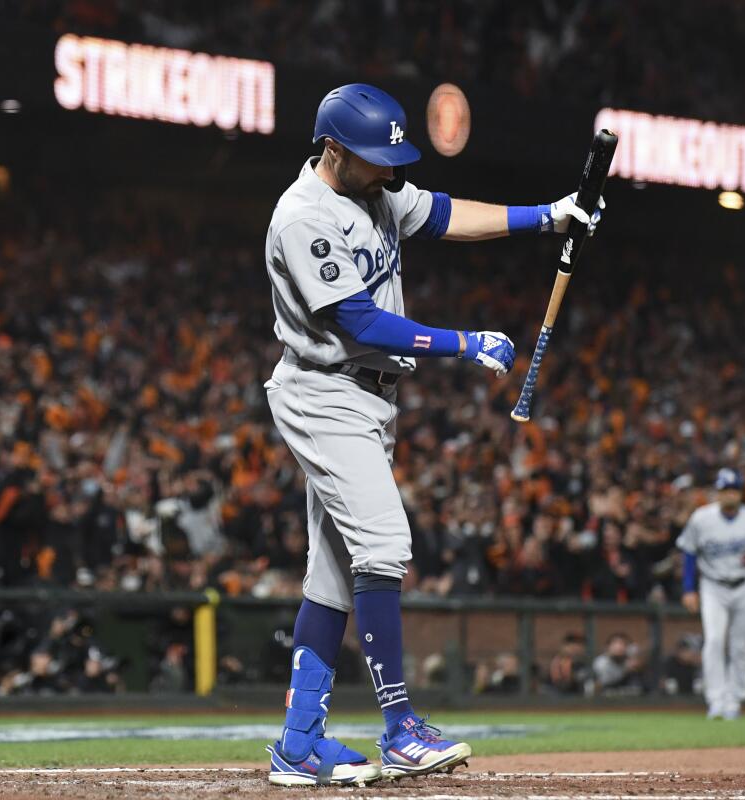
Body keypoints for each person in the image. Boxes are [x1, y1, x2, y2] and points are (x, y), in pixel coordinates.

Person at [262, 83, 602, 786]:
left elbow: (446, 215)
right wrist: (462, 341)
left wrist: (549, 216)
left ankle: (298, 746)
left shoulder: (378, 190)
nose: (390, 171)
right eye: (374, 159)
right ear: (332, 150)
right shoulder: (302, 216)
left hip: (369, 399)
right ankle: (399, 728)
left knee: (330, 579)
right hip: (324, 392)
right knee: (385, 545)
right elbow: (355, 321)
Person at [678, 468, 745, 720]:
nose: (729, 495)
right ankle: (715, 699)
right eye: (724, 490)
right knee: (713, 640)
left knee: (739, 644)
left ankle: (734, 699)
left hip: (744, 585)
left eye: (733, 490)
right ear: (718, 493)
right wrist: (688, 588)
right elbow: (689, 553)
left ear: (740, 493)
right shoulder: (702, 518)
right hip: (712, 585)